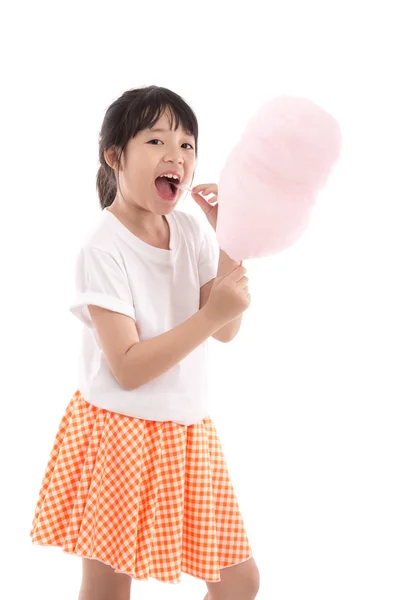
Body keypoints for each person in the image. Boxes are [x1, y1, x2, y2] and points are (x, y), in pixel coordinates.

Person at [30, 85, 260, 600]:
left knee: (239, 581)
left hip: (186, 432)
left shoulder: (193, 232)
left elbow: (225, 329)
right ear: (115, 156)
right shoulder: (102, 246)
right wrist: (214, 312)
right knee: (108, 587)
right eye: (157, 141)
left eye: (187, 144)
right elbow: (129, 367)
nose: (176, 156)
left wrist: (231, 242)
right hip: (119, 437)